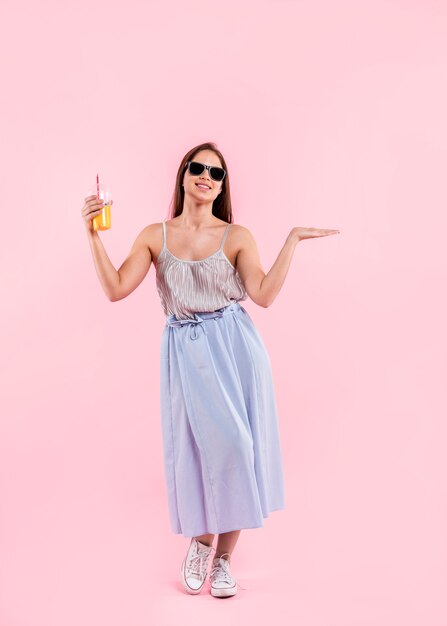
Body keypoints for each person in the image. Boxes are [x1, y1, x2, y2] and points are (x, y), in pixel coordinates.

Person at [81, 141, 340, 598]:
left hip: (236, 348)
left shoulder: (236, 235)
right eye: (198, 168)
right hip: (186, 350)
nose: (206, 177)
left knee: (241, 446)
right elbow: (116, 288)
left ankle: (219, 556)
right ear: (183, 175)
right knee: (199, 451)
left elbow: (262, 295)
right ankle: (204, 545)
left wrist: (292, 240)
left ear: (222, 186)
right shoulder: (153, 235)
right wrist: (93, 236)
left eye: (216, 173)